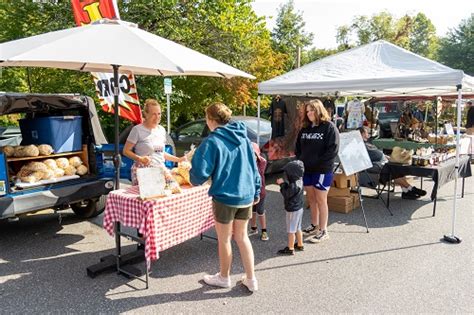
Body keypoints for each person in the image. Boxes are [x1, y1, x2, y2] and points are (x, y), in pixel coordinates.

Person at [190, 103, 261, 293]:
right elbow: (254, 167)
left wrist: (193, 173)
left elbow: (198, 174)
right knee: (242, 237)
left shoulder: (212, 141)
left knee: (224, 239)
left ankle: (224, 277)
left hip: (225, 196)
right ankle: (251, 279)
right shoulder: (244, 137)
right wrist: (256, 190)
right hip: (245, 194)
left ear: (211, 120)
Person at [296, 99, 339, 244]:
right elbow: (298, 149)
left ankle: (323, 230)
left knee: (321, 200)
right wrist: (301, 162)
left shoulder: (329, 127)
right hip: (307, 171)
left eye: (312, 110)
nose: (309, 114)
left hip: (322, 171)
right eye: (307, 111)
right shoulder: (305, 129)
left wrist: (317, 163)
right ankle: (314, 225)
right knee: (311, 199)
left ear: (319, 110)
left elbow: (332, 150)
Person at [123, 99, 185, 185]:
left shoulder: (161, 130)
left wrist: (178, 159)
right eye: (153, 114)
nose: (157, 117)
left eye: (159, 114)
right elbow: (126, 151)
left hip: (160, 168)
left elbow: (160, 153)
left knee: (173, 188)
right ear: (146, 114)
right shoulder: (137, 130)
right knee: (150, 196)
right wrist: (140, 158)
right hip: (143, 171)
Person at [358, 126, 427, 200]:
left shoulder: (367, 142)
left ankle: (406, 191)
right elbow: (364, 160)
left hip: (383, 162)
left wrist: (385, 156)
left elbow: (377, 152)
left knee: (398, 167)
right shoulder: (360, 145)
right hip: (377, 165)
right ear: (361, 134)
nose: (368, 134)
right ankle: (410, 188)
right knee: (393, 170)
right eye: (366, 133)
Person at [276, 160, 305, 255]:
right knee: (298, 227)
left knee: (291, 229)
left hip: (292, 209)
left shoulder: (293, 185)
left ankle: (290, 248)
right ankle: (300, 244)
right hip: (299, 207)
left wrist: (282, 184)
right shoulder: (299, 181)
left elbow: (286, 194)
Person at [249, 142, 269, 241]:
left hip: (260, 192)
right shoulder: (248, 164)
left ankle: (264, 231)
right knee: (252, 211)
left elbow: (263, 161)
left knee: (260, 211)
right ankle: (253, 228)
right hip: (250, 193)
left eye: (254, 154)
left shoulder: (261, 163)